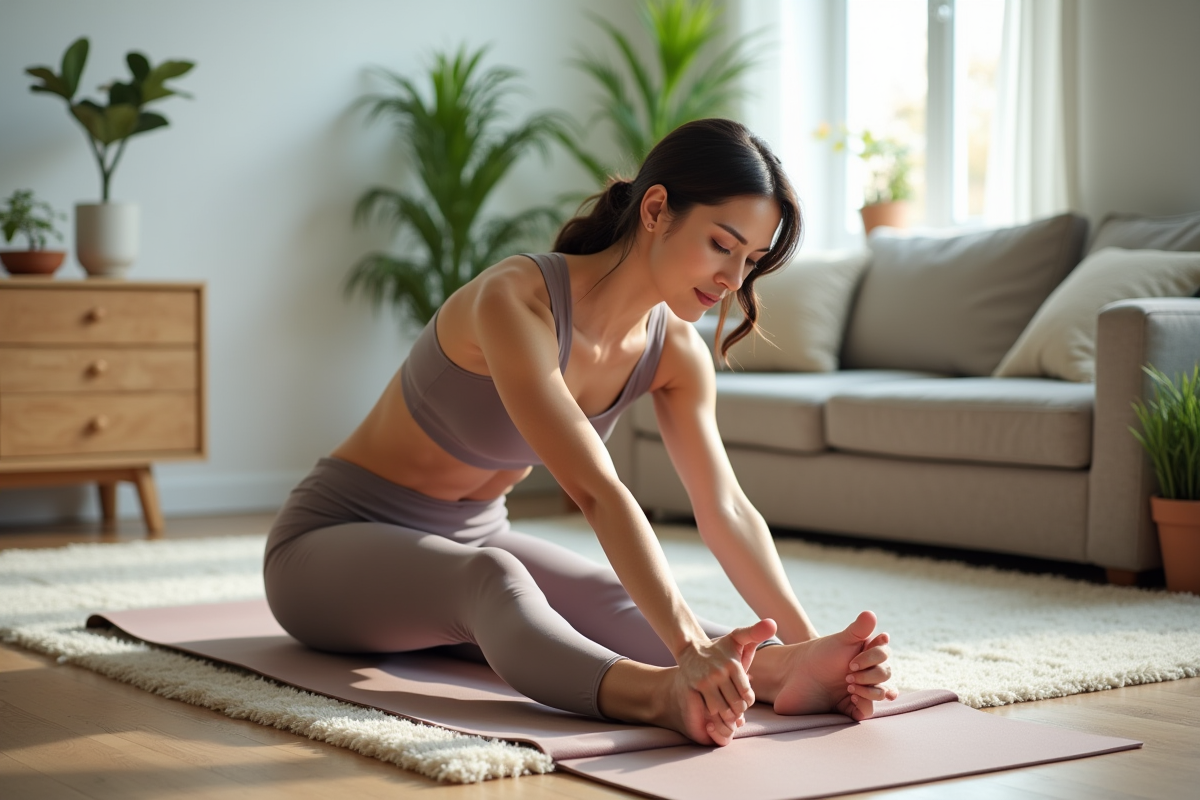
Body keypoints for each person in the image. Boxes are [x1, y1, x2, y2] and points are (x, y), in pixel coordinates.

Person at [264, 118, 895, 747]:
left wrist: (803, 641)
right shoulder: (515, 300)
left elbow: (724, 507)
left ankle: (784, 673)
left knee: (609, 595)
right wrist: (687, 651)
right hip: (329, 547)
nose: (734, 279)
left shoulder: (675, 352)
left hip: (476, 531)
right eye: (721, 245)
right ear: (656, 209)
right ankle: (660, 696)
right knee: (495, 579)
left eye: (750, 260)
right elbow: (597, 489)